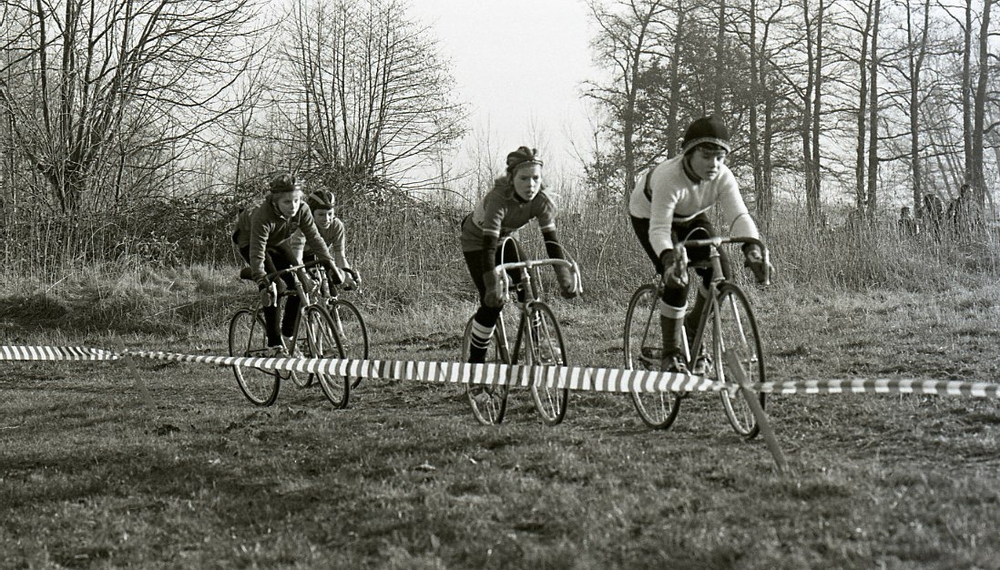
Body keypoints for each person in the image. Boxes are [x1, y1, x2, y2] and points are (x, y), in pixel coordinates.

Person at [627, 116, 771, 374]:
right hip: (649, 217)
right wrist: (669, 259)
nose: (713, 164)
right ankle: (671, 352)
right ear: (689, 154)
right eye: (706, 156)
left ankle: (693, 327)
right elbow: (659, 230)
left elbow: (739, 216)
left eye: (720, 158)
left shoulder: (723, 176)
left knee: (722, 273)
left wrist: (753, 249)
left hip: (691, 215)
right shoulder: (669, 178)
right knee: (678, 280)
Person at [460, 146, 579, 364]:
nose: (530, 185)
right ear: (512, 178)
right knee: (493, 303)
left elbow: (551, 241)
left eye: (535, 178)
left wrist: (564, 276)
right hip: (478, 243)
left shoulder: (541, 200)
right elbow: (488, 246)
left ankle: (539, 345)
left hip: (505, 239)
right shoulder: (498, 199)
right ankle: (475, 363)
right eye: (524, 178)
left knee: (528, 286)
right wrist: (492, 284)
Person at [232, 173, 345, 355]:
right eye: (287, 202)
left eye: (296, 200)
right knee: (275, 287)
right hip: (250, 242)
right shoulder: (262, 215)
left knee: (301, 284)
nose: (293, 206)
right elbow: (257, 252)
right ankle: (274, 345)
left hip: (278, 241)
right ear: (275, 201)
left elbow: (315, 239)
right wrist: (261, 278)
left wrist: (330, 265)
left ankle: (287, 336)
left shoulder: (303, 209)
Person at [288, 189, 360, 290]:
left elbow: (340, 256)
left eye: (330, 214)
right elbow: (297, 259)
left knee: (332, 284)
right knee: (298, 288)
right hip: (294, 257)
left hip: (316, 257)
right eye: (321, 214)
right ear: (311, 214)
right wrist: (304, 277)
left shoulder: (336, 226)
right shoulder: (303, 226)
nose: (326, 219)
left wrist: (348, 276)